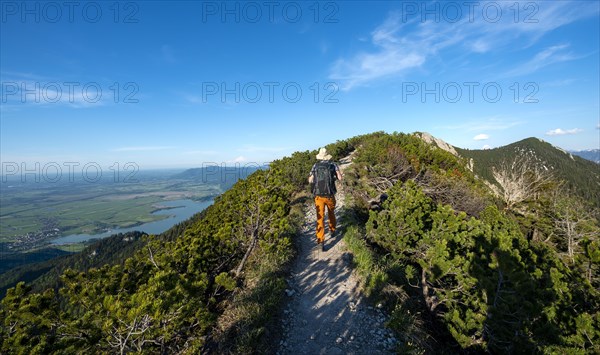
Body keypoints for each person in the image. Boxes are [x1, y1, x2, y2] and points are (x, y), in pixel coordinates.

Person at [308, 148, 342, 251]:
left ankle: (320, 241)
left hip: (318, 196)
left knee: (320, 218)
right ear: (327, 156)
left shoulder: (315, 166)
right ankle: (332, 230)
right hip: (330, 195)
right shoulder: (333, 165)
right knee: (331, 212)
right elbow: (340, 178)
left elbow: (310, 180)